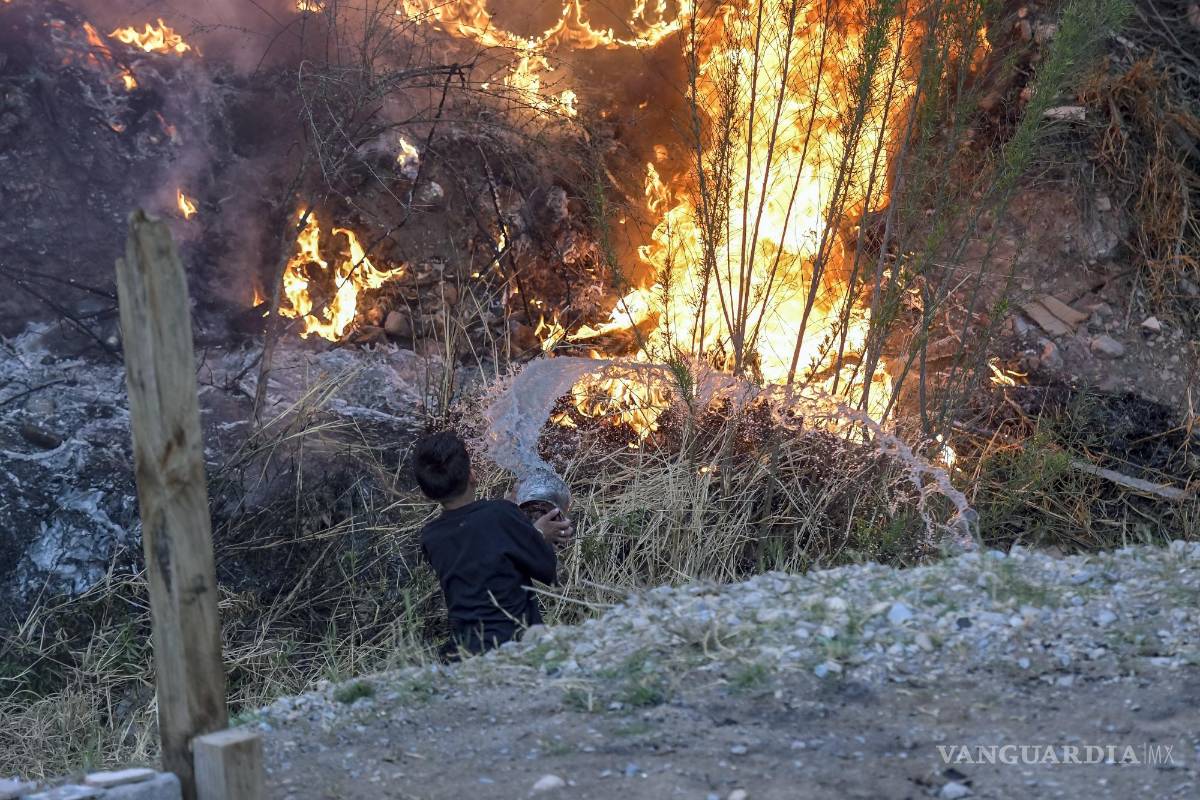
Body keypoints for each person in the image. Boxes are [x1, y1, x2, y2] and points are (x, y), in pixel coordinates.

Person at [412, 430, 573, 657]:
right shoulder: (500, 515)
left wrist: (511, 515)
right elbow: (547, 570)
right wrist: (536, 534)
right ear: (473, 476)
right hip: (515, 641)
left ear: (426, 493)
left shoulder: (430, 537)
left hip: (466, 650)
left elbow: (475, 544)